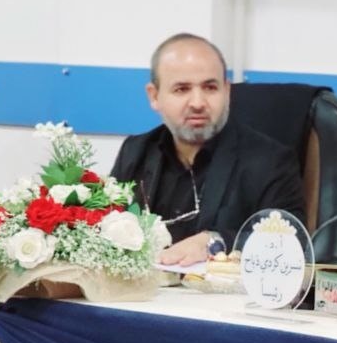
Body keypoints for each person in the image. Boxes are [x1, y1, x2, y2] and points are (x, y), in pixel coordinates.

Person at [111, 33, 306, 267]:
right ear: (154, 96)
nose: (197, 103)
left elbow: (291, 240)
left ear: (227, 91)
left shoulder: (270, 162)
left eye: (210, 88)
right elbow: (105, 225)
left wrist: (216, 242)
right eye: (182, 89)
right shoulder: (135, 151)